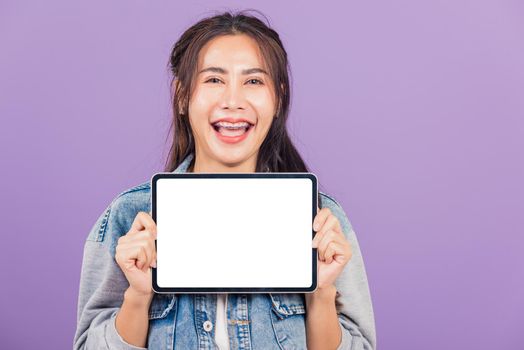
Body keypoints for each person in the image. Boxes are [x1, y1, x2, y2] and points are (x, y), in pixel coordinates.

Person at [73, 10, 375, 350]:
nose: (233, 101)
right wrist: (139, 296)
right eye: (214, 80)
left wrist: (321, 294)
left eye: (253, 81)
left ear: (278, 98)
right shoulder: (129, 218)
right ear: (183, 95)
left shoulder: (321, 221)